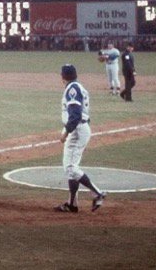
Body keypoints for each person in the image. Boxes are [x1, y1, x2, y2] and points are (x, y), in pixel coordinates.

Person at [55, 64, 107, 213]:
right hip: (79, 128)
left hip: (77, 130)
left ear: (63, 77)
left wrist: (66, 132)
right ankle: (72, 204)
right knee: (70, 168)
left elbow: (76, 114)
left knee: (71, 168)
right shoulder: (78, 87)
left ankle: (98, 193)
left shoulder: (72, 89)